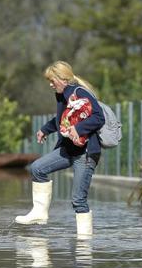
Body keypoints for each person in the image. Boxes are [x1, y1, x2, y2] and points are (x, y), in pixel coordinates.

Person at [15, 61, 104, 237]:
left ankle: (84, 246)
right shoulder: (64, 95)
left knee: (78, 200)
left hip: (85, 153)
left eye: (52, 80)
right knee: (37, 168)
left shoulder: (79, 92)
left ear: (62, 79)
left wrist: (78, 129)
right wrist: (45, 129)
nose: (50, 84)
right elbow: (62, 119)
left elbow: (98, 117)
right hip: (68, 150)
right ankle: (39, 213)